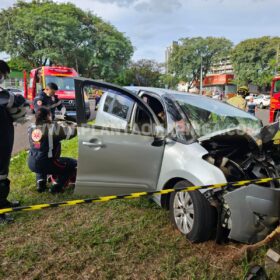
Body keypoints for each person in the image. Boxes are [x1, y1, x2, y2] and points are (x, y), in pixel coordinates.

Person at [0, 60, 27, 223]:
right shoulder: (3, 95)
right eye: (2, 74)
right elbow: (14, 100)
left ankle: (3, 203)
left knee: (2, 173)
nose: (3, 78)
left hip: (3, 138)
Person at [28, 107, 77, 193]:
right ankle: (57, 186)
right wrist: (72, 124)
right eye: (50, 115)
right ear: (48, 116)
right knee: (72, 164)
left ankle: (41, 182)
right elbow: (71, 133)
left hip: (31, 161)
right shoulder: (52, 129)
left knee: (40, 159)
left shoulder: (31, 127)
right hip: (47, 162)